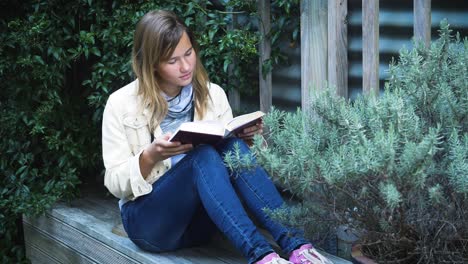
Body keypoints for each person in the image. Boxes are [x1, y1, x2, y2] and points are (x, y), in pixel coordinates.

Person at [102, 9, 332, 264]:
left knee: (230, 146)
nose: (186, 66)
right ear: (152, 63)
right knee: (202, 157)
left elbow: (237, 177)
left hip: (204, 223)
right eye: (172, 60)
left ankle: (297, 247)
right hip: (150, 225)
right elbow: (113, 182)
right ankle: (262, 257)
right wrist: (149, 156)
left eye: (188, 53)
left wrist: (247, 142)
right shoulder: (120, 103)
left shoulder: (213, 95)